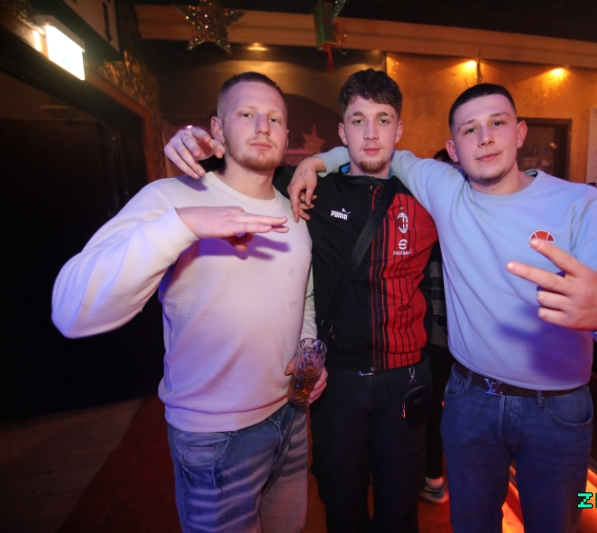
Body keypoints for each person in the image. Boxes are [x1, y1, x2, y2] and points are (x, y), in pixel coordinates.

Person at [291, 83, 597, 533]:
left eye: (497, 123)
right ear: (453, 149)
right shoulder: (445, 188)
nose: (485, 138)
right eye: (470, 129)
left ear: (520, 132)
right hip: (470, 400)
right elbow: (372, 147)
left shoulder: (580, 205)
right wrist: (314, 163)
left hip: (555, 408)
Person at [52, 72, 327, 533]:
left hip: (292, 418)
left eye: (275, 118)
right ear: (218, 129)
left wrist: (306, 344)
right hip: (214, 436)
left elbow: (304, 295)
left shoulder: (294, 213)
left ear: (286, 135)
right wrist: (183, 225)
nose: (263, 126)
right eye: (247, 113)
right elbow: (71, 311)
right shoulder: (171, 198)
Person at [165, 69, 438, 533]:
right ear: (342, 131)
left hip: (406, 379)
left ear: (400, 129)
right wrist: (192, 144)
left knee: (400, 508)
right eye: (358, 121)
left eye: (383, 120)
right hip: (337, 382)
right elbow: (241, 169)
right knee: (341, 503)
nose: (371, 134)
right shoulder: (307, 187)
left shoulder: (429, 195)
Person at [419, 149, 460, 505]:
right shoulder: (431, 221)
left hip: (458, 343)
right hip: (435, 339)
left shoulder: (449, 221)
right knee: (432, 409)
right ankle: (433, 476)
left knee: (438, 409)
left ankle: (436, 477)